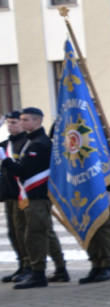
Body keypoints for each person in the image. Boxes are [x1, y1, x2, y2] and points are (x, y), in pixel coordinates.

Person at [1, 108, 62, 289]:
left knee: (35, 234)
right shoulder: (32, 141)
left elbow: (26, 171)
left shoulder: (39, 143)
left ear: (37, 121)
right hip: (29, 196)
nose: (22, 122)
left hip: (36, 196)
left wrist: (5, 161)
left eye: (25, 120)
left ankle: (37, 273)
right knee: (31, 233)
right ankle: (43, 270)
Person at [1, 110, 29, 283]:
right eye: (8, 123)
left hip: (23, 195)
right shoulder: (5, 145)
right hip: (9, 194)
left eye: (14, 123)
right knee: (13, 233)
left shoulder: (26, 143)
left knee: (22, 232)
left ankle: (29, 265)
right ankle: (21, 263)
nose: (10, 126)